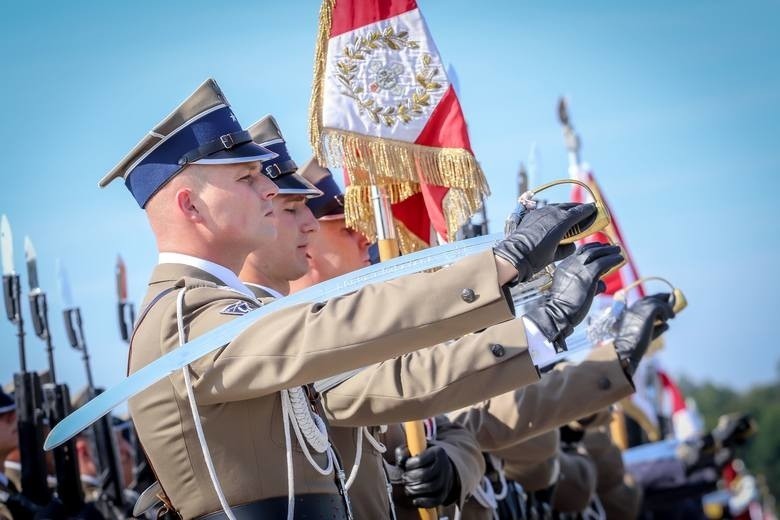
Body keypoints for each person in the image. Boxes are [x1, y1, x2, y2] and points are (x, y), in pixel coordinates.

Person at [99, 78, 597, 519]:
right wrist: (503, 264)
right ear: (190, 205)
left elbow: (394, 382)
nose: (268, 192)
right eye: (247, 179)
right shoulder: (183, 315)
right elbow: (337, 331)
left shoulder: (223, 313)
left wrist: (537, 324)